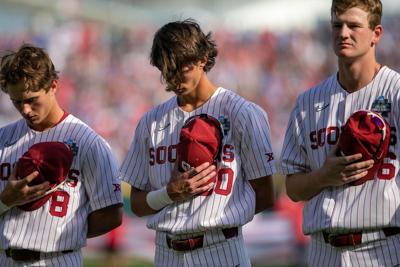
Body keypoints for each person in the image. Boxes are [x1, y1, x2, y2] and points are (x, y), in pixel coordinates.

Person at [120, 19, 275, 267]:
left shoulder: (243, 113)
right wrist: (168, 195)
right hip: (167, 252)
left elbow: (265, 195)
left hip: (221, 249)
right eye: (166, 70)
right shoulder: (150, 122)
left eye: (180, 67)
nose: (172, 78)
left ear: (202, 58)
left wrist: (215, 215)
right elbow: (137, 204)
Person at [280, 0, 400, 266]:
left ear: (376, 34)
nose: (343, 33)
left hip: (383, 248)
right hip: (325, 252)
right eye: (337, 25)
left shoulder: (396, 92)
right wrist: (324, 176)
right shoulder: (307, 102)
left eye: (354, 25)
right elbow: (293, 188)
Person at [0, 44, 123, 266]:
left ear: (53, 85)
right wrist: (4, 202)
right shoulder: (2, 139)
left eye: (31, 99)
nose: (25, 109)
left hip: (58, 259)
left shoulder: (90, 143)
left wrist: (64, 235)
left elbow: (111, 214)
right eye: (17, 101)